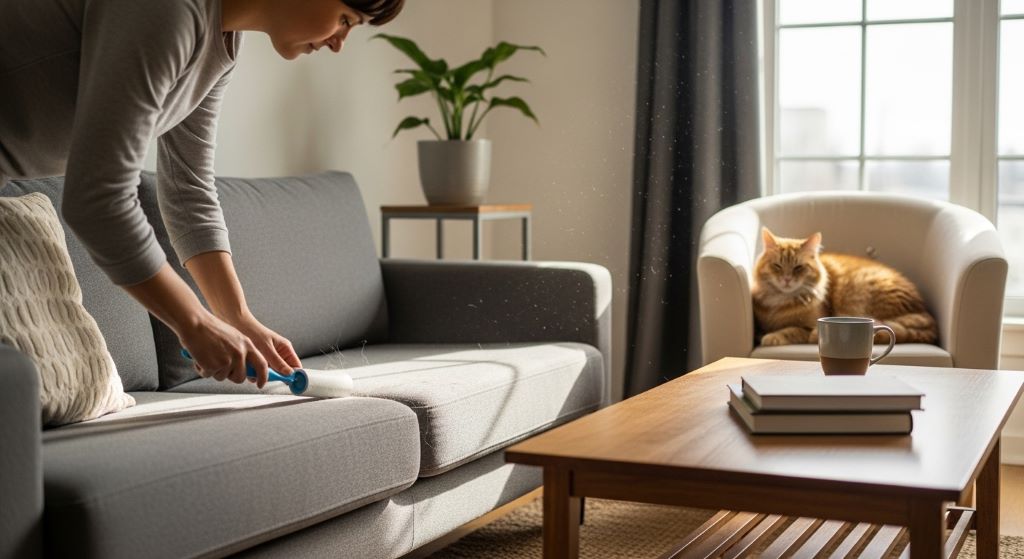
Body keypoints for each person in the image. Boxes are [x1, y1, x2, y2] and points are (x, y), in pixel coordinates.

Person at [0, 0, 404, 388]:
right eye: (346, 19)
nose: (338, 43)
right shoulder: (166, 9)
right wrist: (192, 321)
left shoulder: (222, 42)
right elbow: (98, 199)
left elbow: (188, 189)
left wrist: (236, 317)